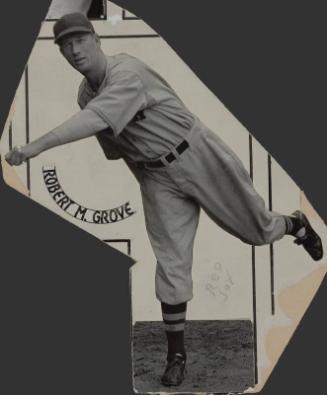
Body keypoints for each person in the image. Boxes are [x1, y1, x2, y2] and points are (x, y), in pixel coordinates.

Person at [5, 13, 323, 387]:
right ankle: (176, 355)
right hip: (155, 175)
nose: (74, 50)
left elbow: (92, 122)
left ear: (96, 39)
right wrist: (148, 179)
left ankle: (295, 224)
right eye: (65, 45)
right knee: (170, 263)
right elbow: (116, 149)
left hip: (196, 153)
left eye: (80, 40)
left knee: (257, 231)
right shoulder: (85, 94)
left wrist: (34, 147)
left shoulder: (127, 72)